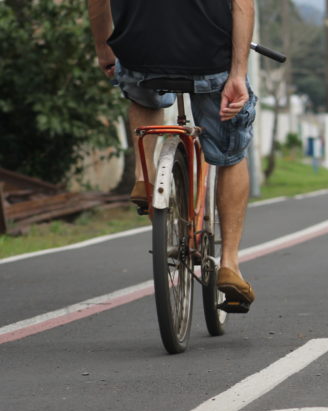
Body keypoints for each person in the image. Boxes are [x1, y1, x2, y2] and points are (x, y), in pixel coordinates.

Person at [88, 0, 256, 311]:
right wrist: (238, 73)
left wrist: (103, 49)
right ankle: (230, 263)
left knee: (143, 91)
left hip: (140, 55)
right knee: (230, 155)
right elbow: (242, 6)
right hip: (211, 62)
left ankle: (145, 177)